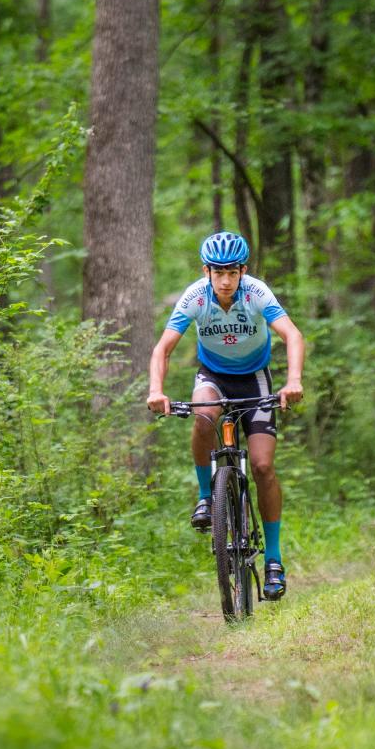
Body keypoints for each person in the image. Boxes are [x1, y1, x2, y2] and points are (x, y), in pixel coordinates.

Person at [146, 232, 305, 600]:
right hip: (213, 376)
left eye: (232, 272)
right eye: (217, 272)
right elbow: (163, 348)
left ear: (243, 271)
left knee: (263, 467)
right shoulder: (195, 297)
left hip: (255, 380)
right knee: (204, 416)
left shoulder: (256, 293)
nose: (225, 280)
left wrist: (293, 380)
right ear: (206, 272)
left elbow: (292, 336)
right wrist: (156, 390)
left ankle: (274, 561)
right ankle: (206, 496)